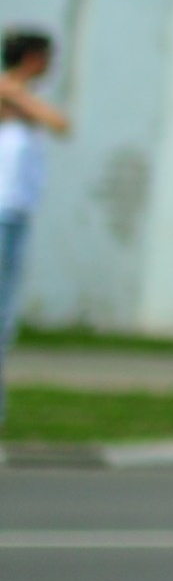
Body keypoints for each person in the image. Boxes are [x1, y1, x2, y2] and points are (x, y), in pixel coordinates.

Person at [0, 29, 69, 425]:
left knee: (5, 323)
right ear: (31, 58)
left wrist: (18, 97)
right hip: (3, 212)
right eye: (46, 58)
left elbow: (60, 123)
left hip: (17, 215)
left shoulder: (20, 101)